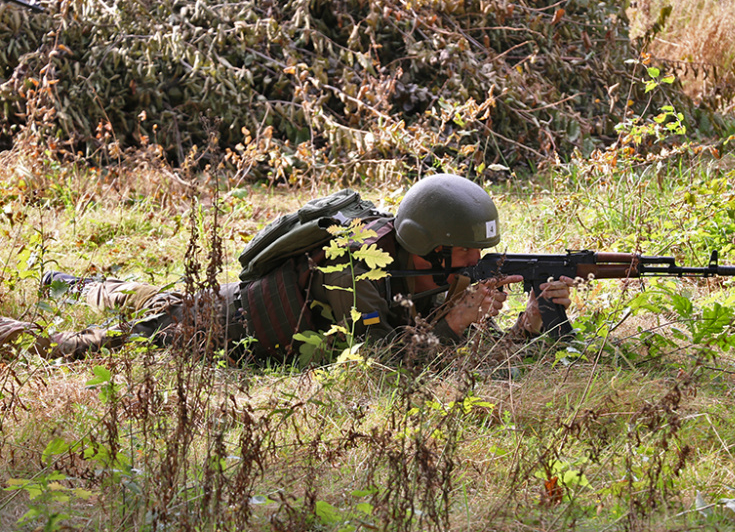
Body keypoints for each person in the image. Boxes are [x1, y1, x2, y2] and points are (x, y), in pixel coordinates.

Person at [0, 174, 573, 362]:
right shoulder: (357, 264)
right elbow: (379, 361)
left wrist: (529, 325)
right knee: (105, 342)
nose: (475, 268)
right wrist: (451, 325)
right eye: (466, 257)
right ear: (427, 246)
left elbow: (455, 355)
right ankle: (26, 328)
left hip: (217, 297)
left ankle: (75, 283)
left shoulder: (426, 268)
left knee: (140, 292)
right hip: (220, 326)